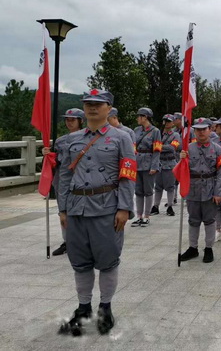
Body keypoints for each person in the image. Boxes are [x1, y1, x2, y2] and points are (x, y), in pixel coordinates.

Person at [57, 89, 135, 336]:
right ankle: (83, 308)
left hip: (106, 208)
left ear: (109, 108)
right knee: (79, 262)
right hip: (76, 208)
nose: (92, 107)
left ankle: (105, 308)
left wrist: (124, 208)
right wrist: (62, 207)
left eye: (98, 104)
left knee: (108, 260)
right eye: (88, 103)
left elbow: (128, 174)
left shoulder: (121, 138)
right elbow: (65, 175)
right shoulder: (72, 139)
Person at [179, 118, 221, 263]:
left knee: (209, 220)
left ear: (210, 130)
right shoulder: (187, 148)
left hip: (210, 189)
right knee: (193, 220)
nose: (200, 132)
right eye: (197, 129)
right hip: (192, 189)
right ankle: (193, 248)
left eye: (204, 129)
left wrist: (219, 192)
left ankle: (208, 248)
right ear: (194, 131)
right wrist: (181, 159)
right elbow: (180, 170)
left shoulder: (217, 149)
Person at [42, 108, 85, 256]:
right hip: (62, 178)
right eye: (67, 120)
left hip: (81, 178)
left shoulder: (87, 138)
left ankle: (81, 241)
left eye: (72, 120)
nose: (69, 122)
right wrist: (48, 154)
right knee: (63, 210)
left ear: (81, 121)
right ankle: (67, 241)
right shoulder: (60, 141)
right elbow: (57, 160)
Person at [131, 108, 161, 227]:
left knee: (148, 191)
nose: (138, 118)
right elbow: (133, 147)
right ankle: (139, 216)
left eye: (139, 116)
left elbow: (157, 150)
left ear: (145, 117)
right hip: (137, 162)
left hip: (149, 163)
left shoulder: (155, 131)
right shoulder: (136, 130)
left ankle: (147, 216)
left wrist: (154, 166)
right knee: (138, 191)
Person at [151, 114, 181, 216]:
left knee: (170, 186)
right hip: (159, 162)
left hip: (170, 163)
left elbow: (173, 148)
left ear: (173, 123)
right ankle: (155, 206)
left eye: (168, 121)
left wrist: (159, 147)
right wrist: (161, 147)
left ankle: (170, 206)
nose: (166, 123)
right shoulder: (158, 133)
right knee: (158, 186)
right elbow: (152, 146)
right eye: (165, 121)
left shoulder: (175, 135)